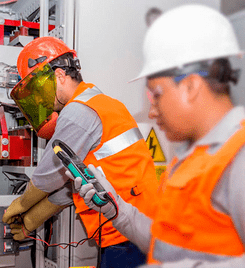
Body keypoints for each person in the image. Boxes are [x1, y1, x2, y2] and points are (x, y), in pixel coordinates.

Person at [73, 4, 245, 267]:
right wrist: (115, 209)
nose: (152, 112)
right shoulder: (186, 162)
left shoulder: (238, 160)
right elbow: (162, 242)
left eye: (157, 94)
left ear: (190, 86)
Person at [2, 36, 159, 267]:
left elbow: (49, 176)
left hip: (126, 233)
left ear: (59, 76)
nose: (38, 98)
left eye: (38, 88)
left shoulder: (79, 112)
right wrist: (30, 222)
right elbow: (71, 185)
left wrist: (20, 206)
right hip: (139, 225)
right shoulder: (102, 103)